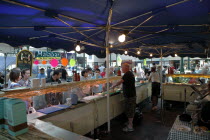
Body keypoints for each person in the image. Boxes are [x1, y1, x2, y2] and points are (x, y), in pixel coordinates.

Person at [111, 63, 136, 132]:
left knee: (130, 110)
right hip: (131, 95)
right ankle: (129, 123)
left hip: (130, 96)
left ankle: (130, 126)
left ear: (126, 68)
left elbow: (120, 81)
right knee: (130, 109)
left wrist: (113, 86)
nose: (121, 69)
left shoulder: (127, 74)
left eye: (122, 68)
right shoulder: (129, 73)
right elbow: (125, 83)